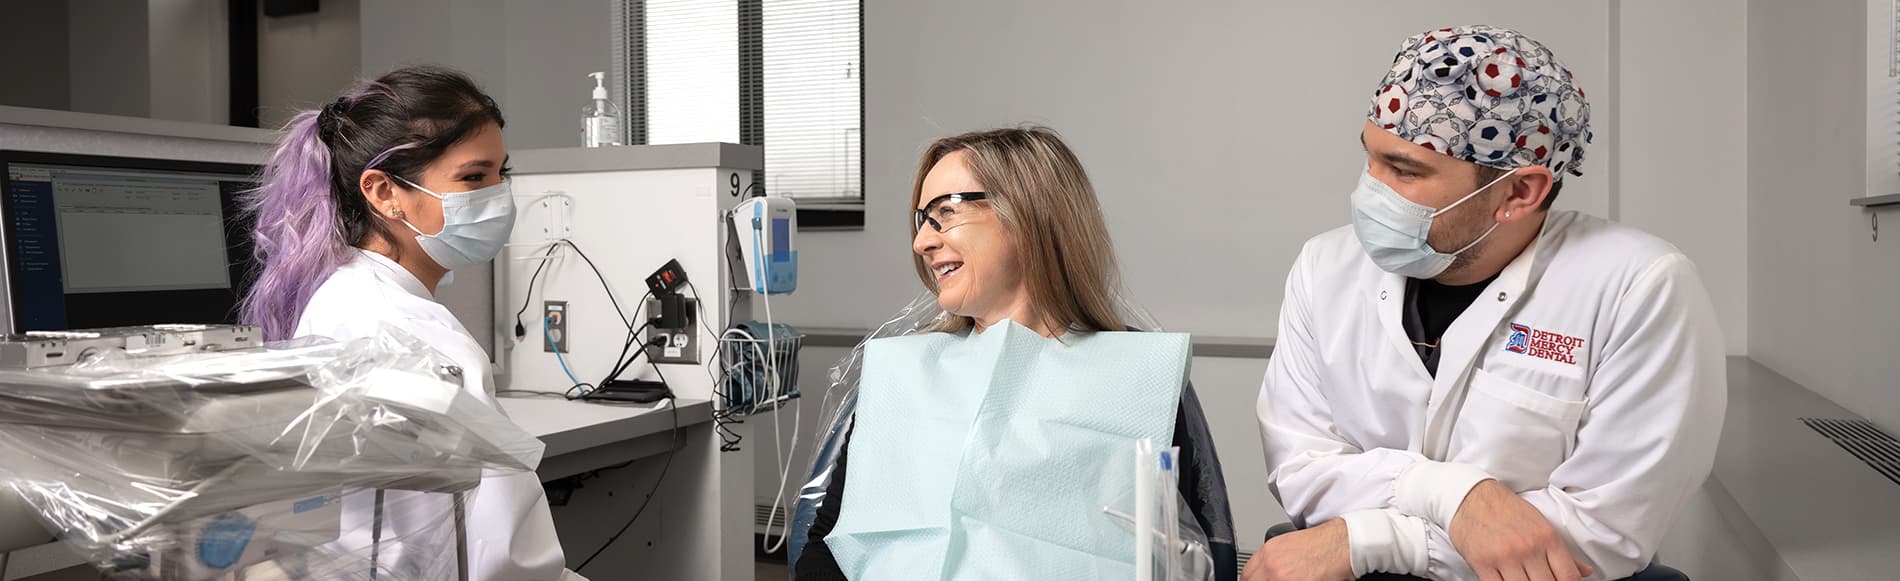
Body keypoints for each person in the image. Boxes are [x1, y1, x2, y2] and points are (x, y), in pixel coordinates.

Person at [1247, 25, 1723, 581]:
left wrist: (1373, 539)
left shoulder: (1637, 289)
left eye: (1405, 170)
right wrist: (1456, 496)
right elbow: (1302, 468)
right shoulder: (1324, 268)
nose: (1368, 191)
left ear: (1520, 193)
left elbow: (1601, 533)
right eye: (1371, 159)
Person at [794, 127, 1236, 580]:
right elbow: (825, 545)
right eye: (922, 219)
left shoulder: (1138, 379)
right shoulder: (904, 375)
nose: (922, 242)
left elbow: (1190, 556)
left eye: (945, 212)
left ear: (1027, 213)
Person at [240, 65, 581, 581]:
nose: (497, 194)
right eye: (473, 176)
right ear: (382, 192)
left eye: (500, 174)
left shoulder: (341, 293)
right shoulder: (414, 334)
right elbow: (503, 559)